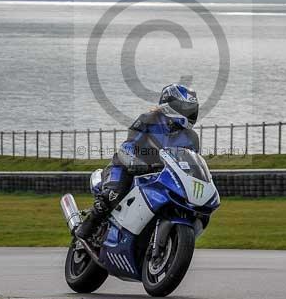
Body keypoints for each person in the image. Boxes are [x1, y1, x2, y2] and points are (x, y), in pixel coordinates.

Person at [75, 84, 200, 240]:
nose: (191, 112)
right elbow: (129, 144)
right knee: (111, 196)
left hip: (162, 175)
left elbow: (191, 161)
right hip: (128, 167)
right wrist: (134, 162)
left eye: (192, 108)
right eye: (186, 108)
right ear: (171, 105)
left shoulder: (192, 138)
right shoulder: (149, 119)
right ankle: (83, 233)